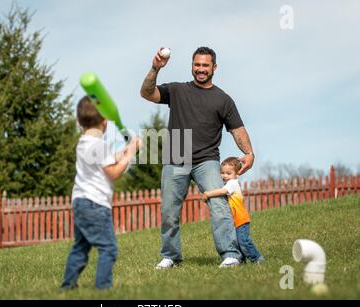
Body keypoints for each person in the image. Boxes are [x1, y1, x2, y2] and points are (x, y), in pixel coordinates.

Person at [140, 46, 255, 269]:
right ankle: (171, 256)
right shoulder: (177, 90)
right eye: (197, 65)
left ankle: (231, 254)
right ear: (192, 66)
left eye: (205, 65)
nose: (200, 69)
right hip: (176, 158)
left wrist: (249, 153)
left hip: (207, 160)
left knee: (219, 203)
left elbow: (237, 129)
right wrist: (155, 68)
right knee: (169, 211)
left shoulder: (223, 100)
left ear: (214, 68)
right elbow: (146, 93)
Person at [60, 96, 141, 290]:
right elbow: (113, 172)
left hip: (80, 203)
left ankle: (68, 286)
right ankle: (103, 289)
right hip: (95, 205)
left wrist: (126, 149)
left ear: (80, 121)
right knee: (108, 248)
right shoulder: (99, 145)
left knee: (80, 247)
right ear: (105, 122)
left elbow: (108, 159)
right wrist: (129, 155)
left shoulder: (84, 143)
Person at [202, 157, 264, 263]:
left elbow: (223, 191)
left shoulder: (232, 183)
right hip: (236, 220)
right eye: (222, 173)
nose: (225, 176)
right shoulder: (229, 182)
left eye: (228, 173)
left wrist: (208, 194)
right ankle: (242, 260)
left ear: (237, 174)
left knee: (243, 241)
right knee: (238, 242)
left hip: (241, 219)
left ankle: (257, 258)